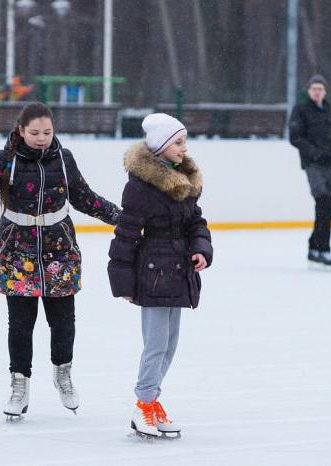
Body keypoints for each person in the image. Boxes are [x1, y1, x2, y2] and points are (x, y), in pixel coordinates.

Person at [0, 102, 120, 420]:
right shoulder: (6, 159)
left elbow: (84, 197)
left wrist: (118, 216)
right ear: (21, 130)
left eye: (47, 132)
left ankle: (63, 373)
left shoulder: (64, 160)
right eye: (35, 133)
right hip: (17, 250)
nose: (41, 139)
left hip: (59, 249)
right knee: (21, 324)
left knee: (63, 321)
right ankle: (19, 384)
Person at [107, 113, 213, 438]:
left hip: (179, 273)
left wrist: (201, 249)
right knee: (155, 344)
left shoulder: (183, 181)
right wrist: (124, 281)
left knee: (169, 345)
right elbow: (125, 234)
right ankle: (144, 405)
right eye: (178, 142)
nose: (184, 148)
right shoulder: (140, 187)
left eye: (184, 141)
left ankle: (152, 402)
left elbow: (196, 222)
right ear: (161, 146)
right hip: (152, 274)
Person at [288, 74, 331, 267]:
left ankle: (315, 248)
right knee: (323, 201)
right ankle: (323, 250)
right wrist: (315, 154)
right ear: (309, 91)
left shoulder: (328, 110)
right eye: (314, 89)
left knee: (328, 207)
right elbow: (295, 137)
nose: (317, 92)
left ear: (325, 92)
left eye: (321, 89)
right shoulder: (300, 110)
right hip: (313, 164)